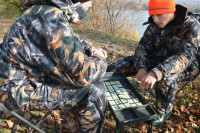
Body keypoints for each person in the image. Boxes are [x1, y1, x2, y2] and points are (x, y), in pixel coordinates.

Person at [0, 0, 107, 132]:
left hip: (22, 80)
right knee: (93, 92)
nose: (90, 5)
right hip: (14, 91)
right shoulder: (50, 18)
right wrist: (99, 57)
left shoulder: (46, 12)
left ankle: (74, 126)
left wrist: (90, 49)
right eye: (88, 1)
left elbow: (72, 39)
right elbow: (86, 74)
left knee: (74, 82)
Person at [107, 0, 200, 126]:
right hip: (155, 59)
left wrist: (156, 72)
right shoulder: (154, 24)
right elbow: (143, 46)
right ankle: (106, 96)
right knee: (115, 67)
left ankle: (163, 112)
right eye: (152, 15)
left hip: (184, 67)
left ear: (171, 11)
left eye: (159, 15)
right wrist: (141, 67)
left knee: (167, 78)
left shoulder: (190, 25)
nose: (155, 19)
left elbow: (185, 56)